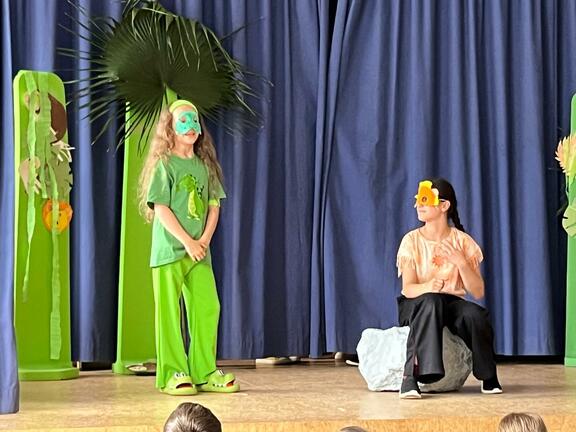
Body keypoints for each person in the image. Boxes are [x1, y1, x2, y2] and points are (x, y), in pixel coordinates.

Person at [138, 99, 238, 395]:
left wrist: (203, 241)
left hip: (199, 253)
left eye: (194, 121)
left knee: (208, 306)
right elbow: (161, 207)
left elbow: (214, 206)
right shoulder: (165, 165)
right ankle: (172, 371)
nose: (190, 126)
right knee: (169, 313)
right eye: (183, 121)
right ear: (169, 128)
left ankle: (204, 371)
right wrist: (188, 241)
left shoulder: (205, 167)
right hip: (170, 252)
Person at [396, 178, 502, 399]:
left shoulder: (463, 242)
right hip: (417, 303)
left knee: (474, 315)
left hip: (450, 303)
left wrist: (461, 262)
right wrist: (428, 286)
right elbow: (408, 289)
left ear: (444, 205)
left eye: (425, 200)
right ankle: (411, 377)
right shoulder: (411, 241)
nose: (419, 205)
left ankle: (488, 375)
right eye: (418, 200)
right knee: (431, 300)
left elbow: (478, 291)